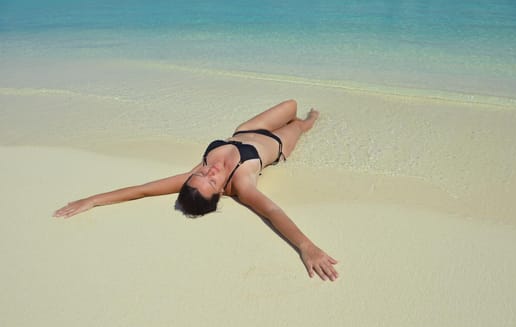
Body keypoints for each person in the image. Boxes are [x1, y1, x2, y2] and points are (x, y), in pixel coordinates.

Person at [54, 100, 339, 281]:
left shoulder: (194, 174)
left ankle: (304, 113)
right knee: (300, 122)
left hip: (247, 129)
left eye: (202, 173)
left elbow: (143, 190)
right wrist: (307, 247)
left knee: (290, 104)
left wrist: (92, 199)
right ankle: (313, 118)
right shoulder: (242, 184)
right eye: (212, 181)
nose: (210, 171)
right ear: (220, 193)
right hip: (276, 143)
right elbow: (273, 212)